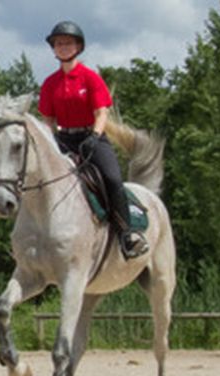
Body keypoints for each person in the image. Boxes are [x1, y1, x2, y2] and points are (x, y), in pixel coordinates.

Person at [38, 20, 149, 259]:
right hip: (63, 139)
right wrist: (51, 140)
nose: (63, 46)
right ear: (53, 49)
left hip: (91, 137)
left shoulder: (90, 78)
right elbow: (47, 118)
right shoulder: (49, 84)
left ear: (78, 46)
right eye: (58, 43)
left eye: (68, 43)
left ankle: (127, 234)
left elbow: (102, 113)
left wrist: (95, 136)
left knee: (111, 177)